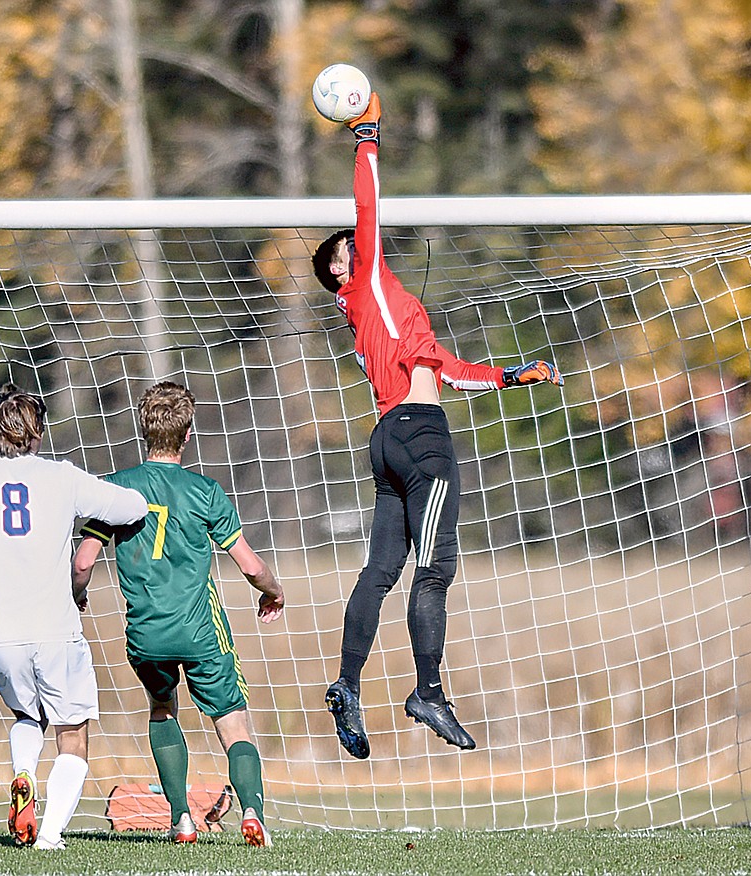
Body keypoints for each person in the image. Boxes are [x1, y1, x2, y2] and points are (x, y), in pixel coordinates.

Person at [311, 94, 563, 758]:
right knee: (435, 569)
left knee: (381, 568)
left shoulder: (381, 318)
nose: (361, 248)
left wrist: (514, 376)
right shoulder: (364, 286)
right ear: (342, 270)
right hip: (422, 438)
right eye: (351, 251)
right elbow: (367, 209)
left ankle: (347, 684)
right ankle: (427, 690)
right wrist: (367, 138)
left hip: (389, 438)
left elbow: (453, 369)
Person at [72, 381, 285, 847]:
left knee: (163, 709)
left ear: (142, 430)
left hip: (146, 633)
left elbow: (83, 561)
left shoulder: (117, 488)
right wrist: (273, 592)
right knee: (233, 722)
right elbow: (250, 566)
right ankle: (252, 812)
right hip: (201, 630)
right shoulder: (206, 491)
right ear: (187, 434)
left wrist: (77, 595)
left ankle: (182, 819)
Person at [0, 384, 148, 851]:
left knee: (25, 713)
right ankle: (50, 835)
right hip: (54, 626)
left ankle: (22, 775)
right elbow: (131, 507)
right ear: (37, 433)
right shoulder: (62, 477)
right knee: (72, 732)